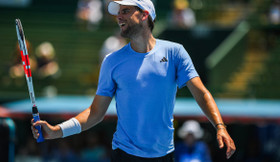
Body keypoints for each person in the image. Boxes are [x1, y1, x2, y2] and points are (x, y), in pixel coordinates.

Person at [31, 0, 236, 161]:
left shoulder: (175, 52)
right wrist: (57, 132)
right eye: (118, 12)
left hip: (165, 155)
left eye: (125, 11)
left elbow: (201, 93)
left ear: (145, 15)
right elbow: (95, 113)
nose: (119, 16)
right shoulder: (112, 61)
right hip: (124, 154)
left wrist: (220, 126)